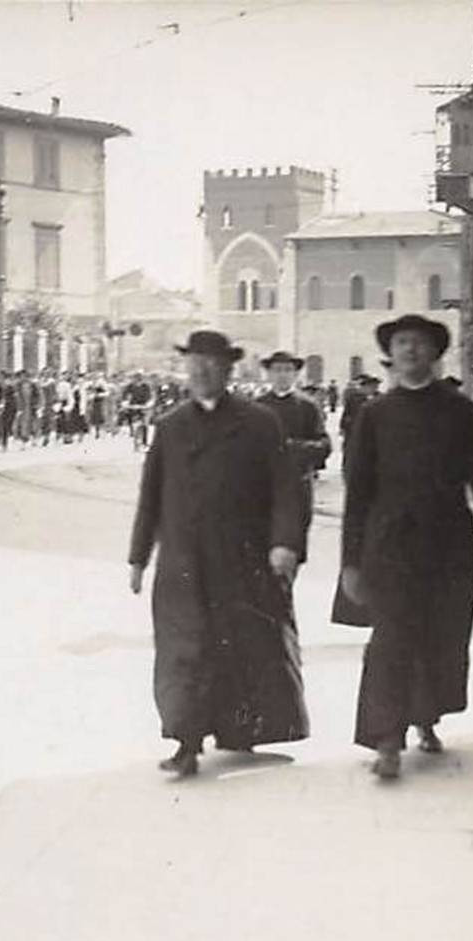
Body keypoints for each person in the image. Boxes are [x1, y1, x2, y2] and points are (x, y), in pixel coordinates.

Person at [340, 314, 473, 780]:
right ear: (391, 354)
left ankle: (426, 717)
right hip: (390, 545)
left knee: (441, 636)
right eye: (401, 343)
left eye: (419, 343)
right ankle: (386, 740)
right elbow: (357, 491)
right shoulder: (375, 414)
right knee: (391, 640)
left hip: (448, 545)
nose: (410, 351)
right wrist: (351, 562)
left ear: (434, 353)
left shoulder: (459, 411)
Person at [127, 329, 308, 778]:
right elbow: (150, 496)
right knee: (183, 651)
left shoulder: (260, 422)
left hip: (241, 560)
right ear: (186, 370)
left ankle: (239, 729)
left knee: (241, 645)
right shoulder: (170, 426)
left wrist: (285, 544)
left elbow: (285, 490)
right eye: (195, 364)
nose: (202, 372)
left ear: (228, 370)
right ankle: (186, 743)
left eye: (211, 364)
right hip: (183, 564)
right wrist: (137, 557)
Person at [256, 352, 333, 560]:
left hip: (296, 489)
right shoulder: (256, 406)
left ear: (296, 374)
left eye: (288, 370)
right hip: (262, 489)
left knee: (291, 553)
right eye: (277, 370)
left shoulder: (307, 406)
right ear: (269, 374)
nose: (282, 375)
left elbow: (324, 445)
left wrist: (293, 448)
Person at [121, 370, 153, 451]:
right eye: (136, 376)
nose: (138, 378)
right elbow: (125, 396)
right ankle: (135, 439)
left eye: (140, 376)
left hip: (144, 407)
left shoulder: (146, 386)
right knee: (133, 423)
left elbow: (150, 397)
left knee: (145, 424)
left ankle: (144, 443)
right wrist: (125, 403)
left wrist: (148, 404)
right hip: (133, 407)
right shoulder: (130, 386)